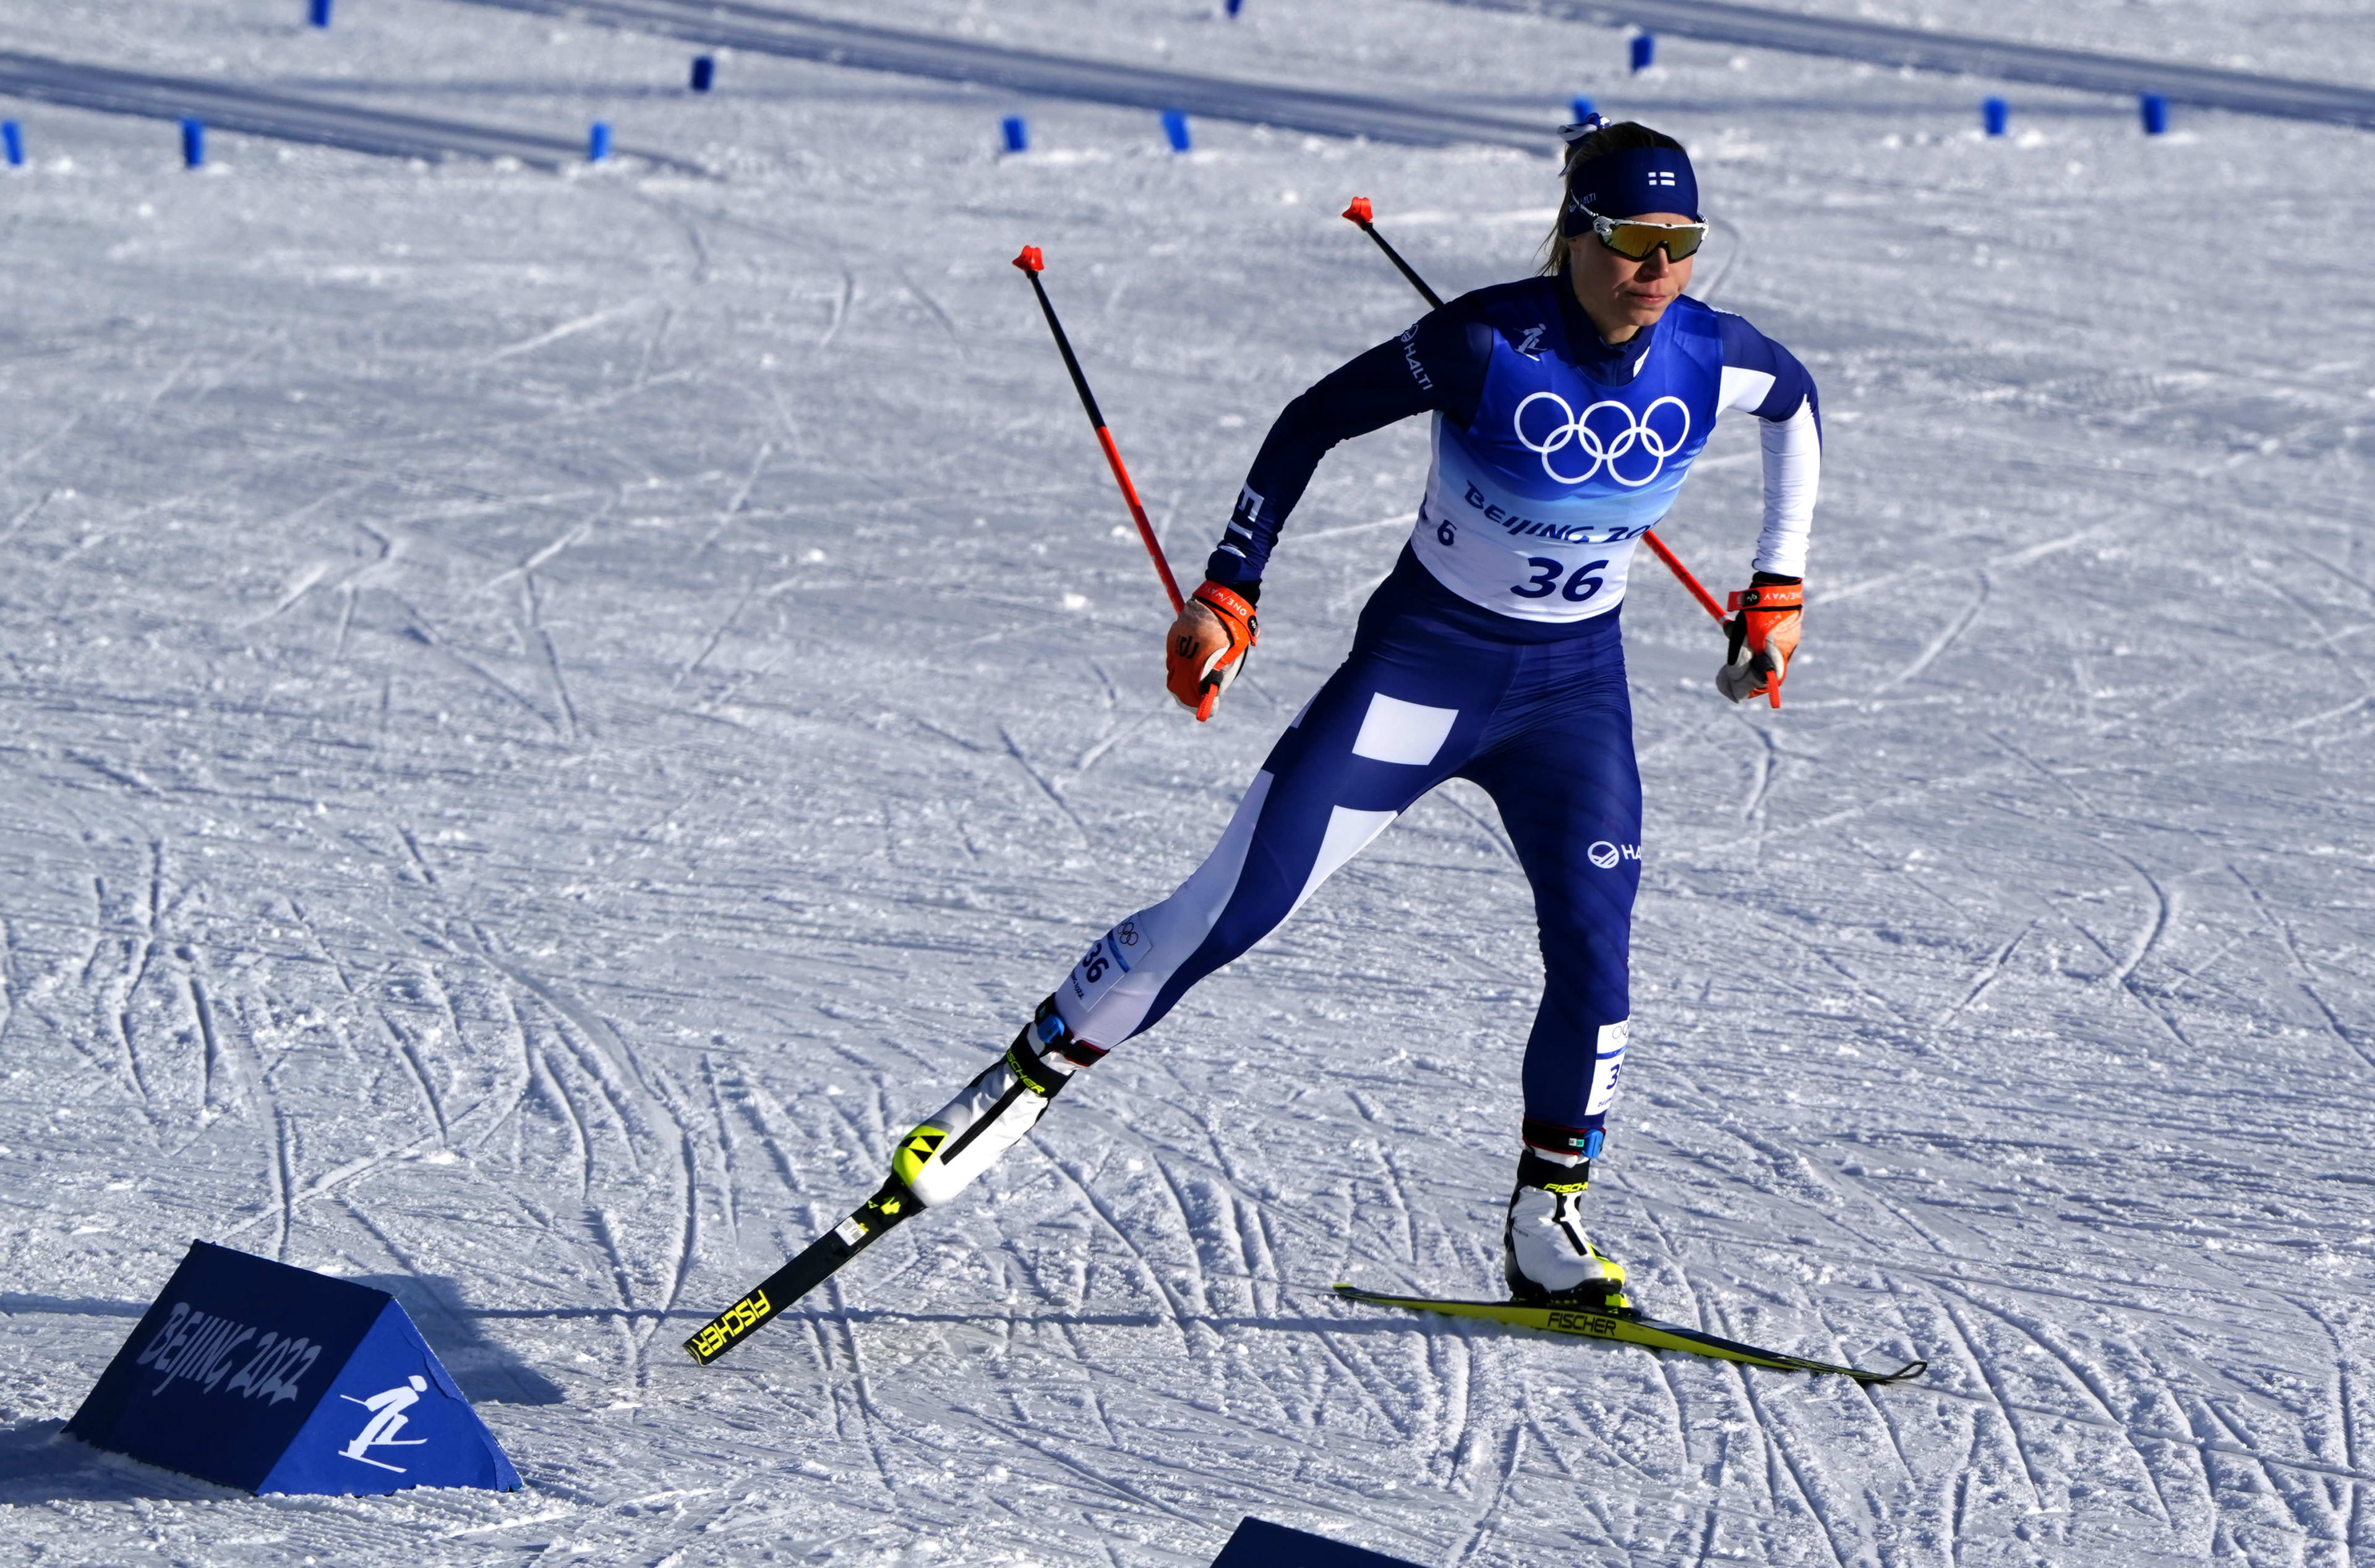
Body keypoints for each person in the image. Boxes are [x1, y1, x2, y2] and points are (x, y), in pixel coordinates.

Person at [884, 120, 1819, 1311]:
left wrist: (1779, 585)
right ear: (1576, 235)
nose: (1660, 269)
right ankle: (1006, 1096)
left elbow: (1796, 408)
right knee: (1234, 908)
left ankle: (1549, 1220)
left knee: (1597, 946)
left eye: (1683, 242)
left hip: (1572, 698)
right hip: (1425, 674)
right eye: (1634, 240)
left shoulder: (1711, 354)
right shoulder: (1485, 341)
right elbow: (1311, 419)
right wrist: (1230, 591)